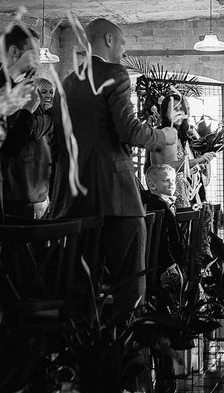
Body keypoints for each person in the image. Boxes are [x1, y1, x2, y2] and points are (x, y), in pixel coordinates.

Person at [49, 17, 177, 316]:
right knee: (130, 280)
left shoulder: (66, 82)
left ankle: (86, 350)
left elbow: (57, 145)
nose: (123, 49)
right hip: (116, 197)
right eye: (122, 42)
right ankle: (129, 352)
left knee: (83, 283)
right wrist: (164, 135)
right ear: (108, 39)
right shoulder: (115, 74)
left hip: (74, 200)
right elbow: (129, 131)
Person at [0, 25, 52, 219]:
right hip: (14, 192)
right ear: (14, 51)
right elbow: (11, 146)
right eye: (34, 54)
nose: (38, 62)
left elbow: (44, 129)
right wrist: (29, 113)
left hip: (38, 190)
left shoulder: (29, 86)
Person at [151, 93, 216, 209]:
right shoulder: (167, 132)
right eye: (174, 109)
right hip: (172, 196)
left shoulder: (180, 136)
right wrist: (198, 160)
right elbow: (168, 167)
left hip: (184, 194)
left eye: (182, 109)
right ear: (165, 112)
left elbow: (183, 168)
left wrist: (198, 165)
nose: (179, 113)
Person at [141, 163, 183, 279]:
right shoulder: (157, 204)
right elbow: (161, 238)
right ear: (153, 185)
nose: (172, 184)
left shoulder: (161, 202)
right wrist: (170, 265)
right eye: (166, 180)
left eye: (173, 180)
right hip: (162, 264)